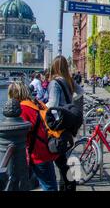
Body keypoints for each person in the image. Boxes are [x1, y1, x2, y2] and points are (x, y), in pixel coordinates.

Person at [8, 82, 59, 191]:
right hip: (47, 148)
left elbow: (22, 134)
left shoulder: (22, 109)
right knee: (49, 183)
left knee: (49, 187)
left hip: (38, 154)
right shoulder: (35, 103)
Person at [46, 55, 84, 191]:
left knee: (60, 158)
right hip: (68, 120)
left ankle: (67, 185)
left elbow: (52, 104)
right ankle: (68, 183)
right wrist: (70, 103)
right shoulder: (69, 80)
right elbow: (81, 91)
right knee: (63, 156)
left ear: (54, 67)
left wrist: (41, 108)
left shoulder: (55, 83)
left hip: (59, 123)